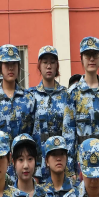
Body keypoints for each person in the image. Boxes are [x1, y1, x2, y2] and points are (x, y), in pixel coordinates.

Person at [31, 45, 75, 179]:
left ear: (57, 66)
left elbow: (70, 134)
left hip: (60, 161)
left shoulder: (66, 95)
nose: (48, 66)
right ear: (39, 66)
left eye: (52, 62)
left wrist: (69, 166)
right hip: (39, 164)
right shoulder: (31, 96)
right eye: (45, 62)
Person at [70, 36, 99, 170]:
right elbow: (69, 133)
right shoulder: (73, 93)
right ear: (81, 58)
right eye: (87, 55)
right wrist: (71, 168)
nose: (91, 59)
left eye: (95, 55)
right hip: (82, 160)